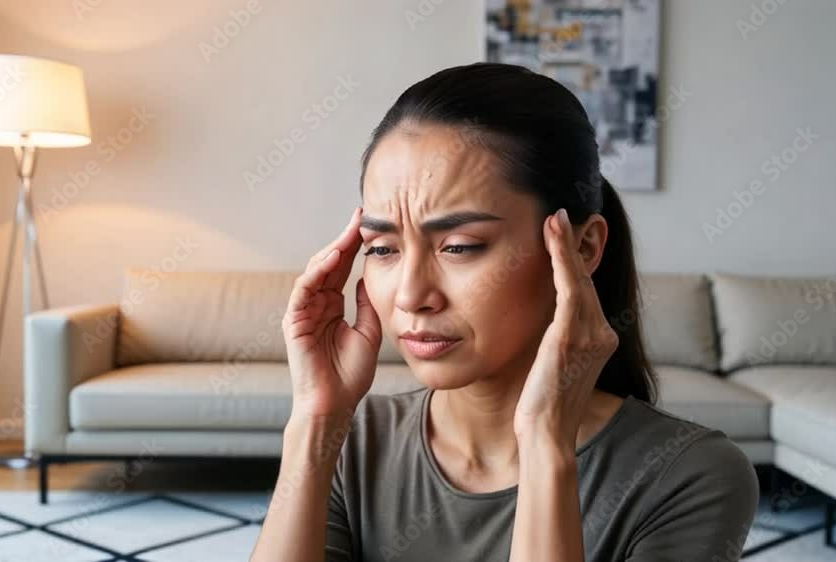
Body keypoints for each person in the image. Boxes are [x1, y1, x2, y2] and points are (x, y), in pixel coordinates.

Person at [250, 62, 758, 562]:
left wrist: (545, 446)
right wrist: (316, 422)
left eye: (460, 246)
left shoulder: (692, 476)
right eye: (383, 248)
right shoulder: (353, 441)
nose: (410, 296)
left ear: (582, 249)